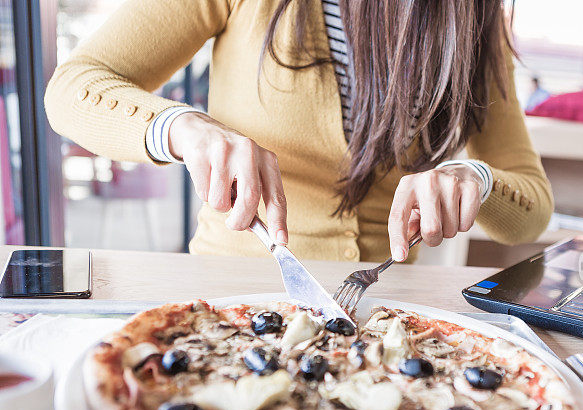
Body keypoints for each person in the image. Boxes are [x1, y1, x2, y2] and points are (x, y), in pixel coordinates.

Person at [45, 0, 553, 263]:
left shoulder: (472, 20)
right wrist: (182, 126)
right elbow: (72, 88)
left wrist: (473, 178)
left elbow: (531, 214)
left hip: (383, 315)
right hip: (233, 291)